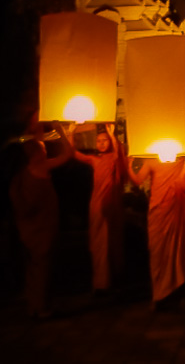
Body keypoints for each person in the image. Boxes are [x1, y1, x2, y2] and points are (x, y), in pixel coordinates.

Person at [8, 120, 74, 318]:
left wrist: (63, 131)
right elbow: (67, 154)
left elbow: (35, 138)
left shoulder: (24, 171)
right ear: (37, 153)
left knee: (32, 266)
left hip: (28, 228)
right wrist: (60, 128)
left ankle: (34, 306)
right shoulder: (40, 167)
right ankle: (43, 308)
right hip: (41, 228)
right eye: (43, 148)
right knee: (42, 267)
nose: (45, 149)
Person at [128, 155, 185, 307]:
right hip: (158, 211)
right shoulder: (152, 161)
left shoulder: (184, 160)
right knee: (159, 253)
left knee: (181, 251)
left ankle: (182, 294)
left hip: (178, 208)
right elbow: (138, 181)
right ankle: (160, 294)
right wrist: (129, 164)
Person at [72, 123, 125, 293]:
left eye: (104, 140)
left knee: (113, 240)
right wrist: (70, 133)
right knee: (98, 242)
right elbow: (73, 154)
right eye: (98, 141)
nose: (101, 143)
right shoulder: (95, 160)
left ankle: (116, 275)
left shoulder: (115, 156)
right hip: (97, 203)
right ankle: (101, 282)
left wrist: (112, 134)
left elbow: (119, 155)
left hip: (113, 202)